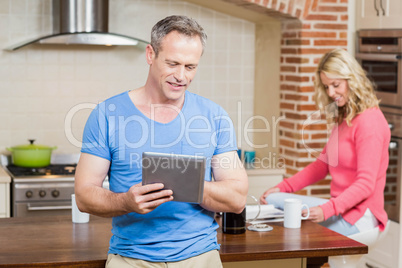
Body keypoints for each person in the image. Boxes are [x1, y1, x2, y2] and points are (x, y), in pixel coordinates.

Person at [75, 15, 248, 268]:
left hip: (200, 257)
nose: (181, 76)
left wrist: (187, 182)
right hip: (130, 258)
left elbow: (236, 198)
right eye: (172, 63)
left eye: (190, 67)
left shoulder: (214, 116)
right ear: (150, 54)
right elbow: (84, 195)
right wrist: (126, 202)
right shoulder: (106, 114)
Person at [260, 48, 390, 237]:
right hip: (341, 209)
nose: (330, 92)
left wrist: (328, 209)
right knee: (273, 199)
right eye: (326, 86)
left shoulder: (370, 122)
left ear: (351, 79)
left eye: (336, 85)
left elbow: (365, 184)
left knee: (296, 230)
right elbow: (322, 166)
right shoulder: (345, 117)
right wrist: (284, 186)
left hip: (361, 216)